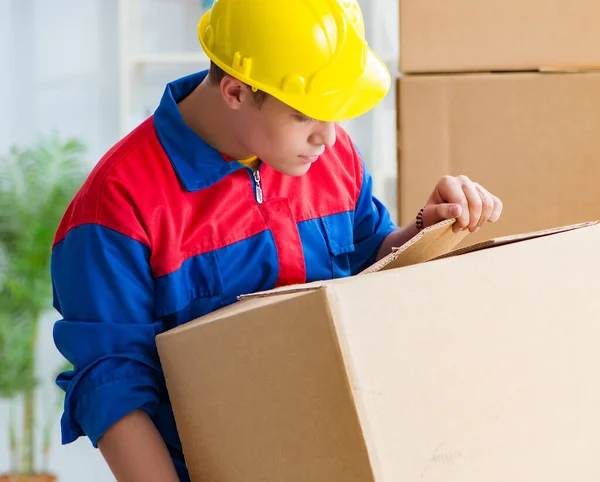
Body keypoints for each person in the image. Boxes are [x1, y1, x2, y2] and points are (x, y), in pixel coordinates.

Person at [51, 0, 503, 480]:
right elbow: (114, 392)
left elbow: (369, 264)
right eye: (306, 115)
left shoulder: (328, 155)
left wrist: (423, 229)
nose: (328, 137)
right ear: (235, 91)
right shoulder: (117, 207)